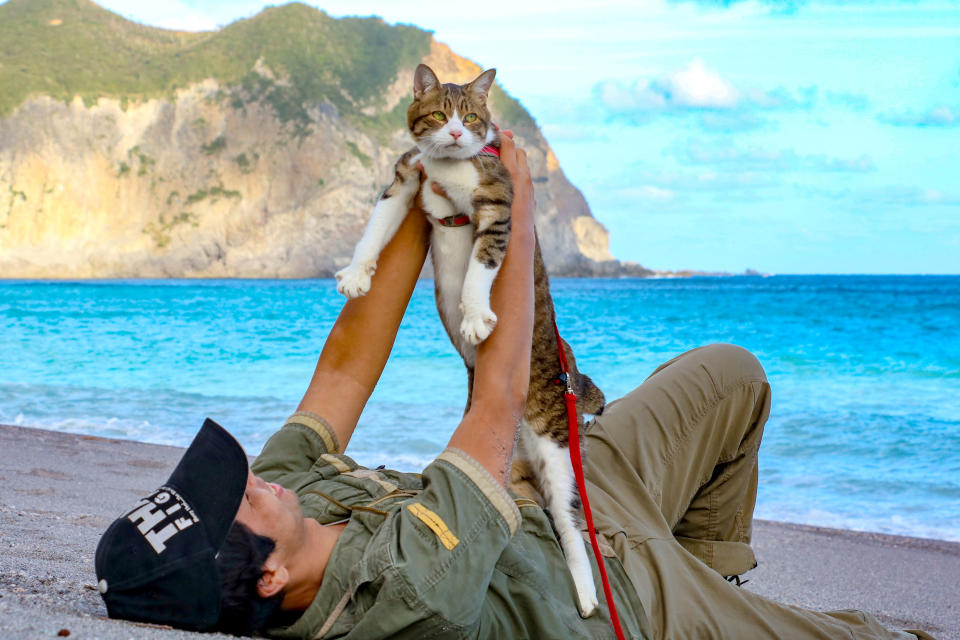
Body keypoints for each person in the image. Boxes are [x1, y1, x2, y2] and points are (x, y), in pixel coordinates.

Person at [94, 133, 935, 640]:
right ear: (270, 579)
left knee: (733, 377)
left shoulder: (298, 498)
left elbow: (346, 364)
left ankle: (719, 581)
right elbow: (497, 398)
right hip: (627, 597)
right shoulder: (403, 595)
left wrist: (421, 201)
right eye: (236, 502)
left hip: (564, 490)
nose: (249, 480)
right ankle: (704, 605)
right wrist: (509, 213)